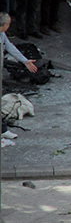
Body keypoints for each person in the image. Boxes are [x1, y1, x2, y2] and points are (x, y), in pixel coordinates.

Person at [0, 12, 38, 143]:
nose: (9, 26)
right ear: (4, 25)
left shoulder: (2, 34)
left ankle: (3, 130)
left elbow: (10, 47)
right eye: (9, 24)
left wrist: (24, 60)